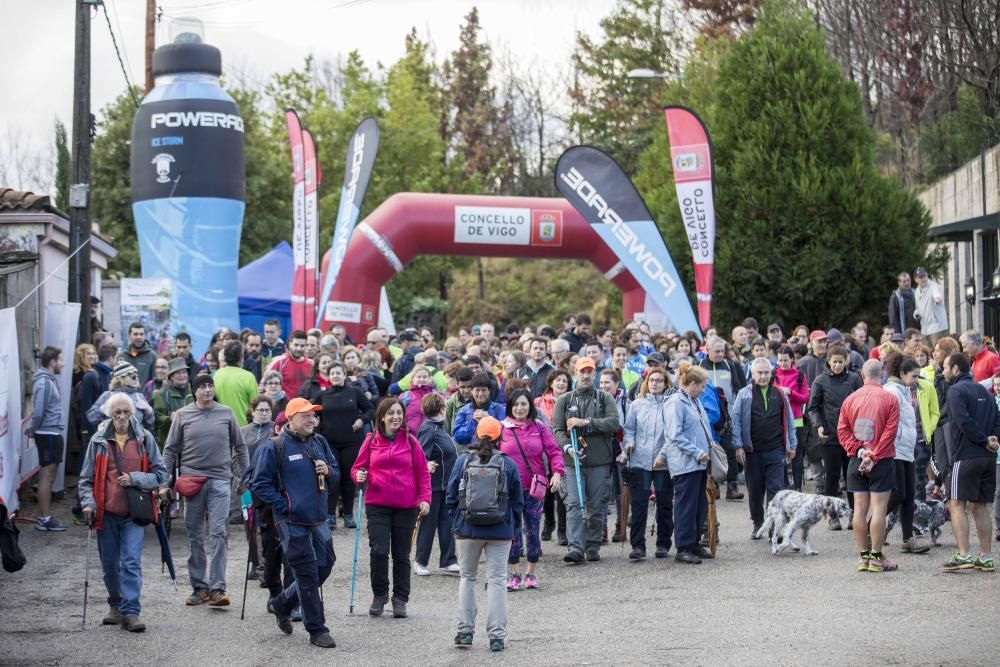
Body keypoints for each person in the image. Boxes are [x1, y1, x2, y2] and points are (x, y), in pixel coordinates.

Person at [252, 397, 338, 648]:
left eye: (314, 415)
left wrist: (329, 472)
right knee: (307, 573)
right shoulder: (274, 446)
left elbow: (337, 474)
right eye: (305, 415)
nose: (312, 419)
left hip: (319, 518)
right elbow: (260, 485)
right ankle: (317, 630)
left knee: (326, 564)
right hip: (291, 522)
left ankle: (281, 603)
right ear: (290, 419)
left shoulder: (320, 442)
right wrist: (285, 505)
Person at [77, 393, 168, 632]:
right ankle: (115, 605)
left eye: (125, 412)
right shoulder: (98, 441)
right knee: (109, 565)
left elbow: (161, 474)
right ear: (109, 414)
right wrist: (88, 503)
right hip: (105, 512)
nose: (121, 417)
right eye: (117, 412)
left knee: (130, 561)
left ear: (132, 414)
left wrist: (136, 478)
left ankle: (131, 611)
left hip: (133, 514)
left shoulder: (144, 438)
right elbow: (85, 479)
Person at [162, 374, 249, 607]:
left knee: (219, 532)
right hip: (192, 480)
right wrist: (164, 481)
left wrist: (246, 476)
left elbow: (240, 447)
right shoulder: (182, 415)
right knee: (195, 534)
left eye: (210, 386)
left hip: (220, 479)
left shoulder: (226, 413)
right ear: (194, 391)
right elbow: (170, 450)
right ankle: (199, 587)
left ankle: (218, 588)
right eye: (202, 387)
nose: (207, 390)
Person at [447, 416, 524, 652]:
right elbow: (518, 502)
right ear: (501, 436)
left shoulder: (463, 461)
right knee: (498, 581)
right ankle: (497, 637)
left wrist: (457, 522)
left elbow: (451, 497)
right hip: (500, 530)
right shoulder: (508, 464)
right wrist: (514, 529)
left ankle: (465, 632)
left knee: (467, 578)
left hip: (468, 529)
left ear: (476, 435)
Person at [351, 398, 431, 619]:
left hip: (406, 506)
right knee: (378, 550)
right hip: (377, 503)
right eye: (391, 413)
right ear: (382, 417)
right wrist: (358, 476)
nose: (396, 417)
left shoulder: (412, 442)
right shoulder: (370, 441)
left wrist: (425, 499)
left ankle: (400, 598)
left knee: (401, 554)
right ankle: (380, 594)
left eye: (399, 413)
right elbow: (357, 468)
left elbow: (423, 474)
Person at [553, 356, 620, 563]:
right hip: (572, 461)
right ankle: (575, 548)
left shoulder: (604, 398)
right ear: (576, 373)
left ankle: (592, 546)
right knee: (574, 504)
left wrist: (586, 422)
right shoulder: (564, 400)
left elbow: (613, 423)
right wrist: (568, 448)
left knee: (596, 505)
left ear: (595, 374)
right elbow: (557, 429)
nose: (585, 375)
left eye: (589, 371)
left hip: (599, 461)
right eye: (582, 371)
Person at [837, 359, 900, 573]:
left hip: (856, 460)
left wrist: (860, 452)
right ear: (881, 375)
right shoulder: (890, 399)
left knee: (859, 509)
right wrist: (873, 455)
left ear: (863, 376)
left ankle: (863, 557)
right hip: (880, 460)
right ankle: (876, 557)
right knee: (879, 509)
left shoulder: (850, 399)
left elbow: (842, 431)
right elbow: (889, 433)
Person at [940, 352, 1000, 572]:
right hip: (988, 458)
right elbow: (997, 419)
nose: (943, 371)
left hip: (965, 456)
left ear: (956, 369)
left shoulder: (955, 390)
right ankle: (985, 556)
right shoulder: (986, 391)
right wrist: (993, 440)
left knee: (956, 503)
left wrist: (984, 440)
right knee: (982, 506)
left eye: (946, 367)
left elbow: (962, 420)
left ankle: (964, 554)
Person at [498, 389, 563, 589]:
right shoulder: (500, 428)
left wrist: (558, 473)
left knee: (533, 530)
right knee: (512, 531)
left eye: (524, 404)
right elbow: (487, 452)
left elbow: (554, 451)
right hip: (508, 490)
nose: (520, 408)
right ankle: (514, 573)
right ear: (510, 406)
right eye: (516, 404)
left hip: (535, 488)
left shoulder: (539, 427)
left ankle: (531, 572)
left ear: (530, 406)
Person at [731, 358, 798, 538]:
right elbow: (736, 421)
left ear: (771, 373)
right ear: (752, 374)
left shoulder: (780, 393)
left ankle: (774, 526)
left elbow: (790, 421)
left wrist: (792, 445)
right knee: (755, 490)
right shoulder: (744, 394)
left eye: (766, 372)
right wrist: (738, 446)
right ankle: (758, 523)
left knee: (776, 490)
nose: (763, 376)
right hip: (752, 452)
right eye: (759, 373)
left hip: (776, 450)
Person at [656, 363, 714, 564]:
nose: (704, 389)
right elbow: (674, 435)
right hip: (685, 463)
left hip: (699, 463)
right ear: (692, 383)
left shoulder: (693, 401)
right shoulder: (675, 403)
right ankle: (683, 546)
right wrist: (697, 452)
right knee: (686, 506)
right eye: (702, 385)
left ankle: (694, 542)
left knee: (698, 506)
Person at [806, 344, 862, 528]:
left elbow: (862, 403)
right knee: (831, 476)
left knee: (852, 476)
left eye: (841, 361)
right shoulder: (820, 381)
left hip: (852, 436)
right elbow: (813, 407)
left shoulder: (854, 379)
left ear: (846, 361)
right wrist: (819, 425)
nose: (837, 365)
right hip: (829, 435)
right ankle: (832, 515)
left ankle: (855, 515)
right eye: (834, 362)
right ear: (829, 362)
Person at [622, 366, 674, 560]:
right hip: (640, 461)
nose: (655, 384)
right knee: (639, 504)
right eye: (652, 380)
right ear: (646, 383)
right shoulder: (637, 404)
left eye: (659, 380)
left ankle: (663, 543)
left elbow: (672, 434)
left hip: (663, 462)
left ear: (666, 384)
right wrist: (629, 443)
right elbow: (629, 430)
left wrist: (663, 454)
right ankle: (638, 546)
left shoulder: (671, 405)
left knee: (664, 503)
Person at [882, 354, 930, 554]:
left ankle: (908, 538)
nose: (917, 380)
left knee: (909, 495)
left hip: (907, 449)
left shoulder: (903, 390)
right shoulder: (893, 392)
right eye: (914, 376)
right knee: (900, 493)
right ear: (902, 373)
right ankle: (872, 522)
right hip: (895, 449)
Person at [319, 363, 374, 529]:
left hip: (351, 441)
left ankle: (348, 515)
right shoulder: (323, 395)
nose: (335, 375)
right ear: (329, 377)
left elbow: (370, 409)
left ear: (345, 375)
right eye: (332, 373)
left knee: (349, 479)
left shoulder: (354, 392)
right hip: (330, 442)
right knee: (333, 478)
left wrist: (361, 420)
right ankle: (330, 515)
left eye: (339, 373)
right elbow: (312, 410)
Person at [414, 393, 460, 576]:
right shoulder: (429, 429)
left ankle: (448, 560)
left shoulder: (438, 428)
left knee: (447, 523)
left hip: (444, 485)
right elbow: (419, 456)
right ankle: (420, 561)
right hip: (432, 486)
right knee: (428, 524)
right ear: (441, 408)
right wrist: (426, 464)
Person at [700, 336, 746, 501]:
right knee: (709, 451)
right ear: (708, 349)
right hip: (706, 415)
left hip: (727, 415)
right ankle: (714, 486)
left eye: (722, 351)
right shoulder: (698, 366)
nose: (720, 354)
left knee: (730, 450)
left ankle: (732, 486)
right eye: (716, 351)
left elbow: (741, 389)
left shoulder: (730, 365)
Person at [28, 346, 67, 532]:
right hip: (48, 433)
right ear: (52, 362)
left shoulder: (48, 380)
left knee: (49, 476)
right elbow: (38, 411)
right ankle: (44, 519)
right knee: (47, 476)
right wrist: (33, 429)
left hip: (51, 432)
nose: (63, 364)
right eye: (60, 360)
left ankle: (40, 514)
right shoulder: (44, 382)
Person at [535, 368, 572, 543]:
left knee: (562, 491)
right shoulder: (538, 402)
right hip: (544, 452)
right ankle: (549, 523)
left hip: (564, 450)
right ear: (550, 383)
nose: (561, 383)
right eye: (558, 380)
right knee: (548, 492)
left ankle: (563, 531)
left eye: (564, 381)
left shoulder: (571, 401)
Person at [774, 346, 810, 491]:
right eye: (780, 360)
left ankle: (797, 487)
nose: (782, 363)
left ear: (792, 360)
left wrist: (791, 393)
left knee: (797, 455)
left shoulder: (800, 375)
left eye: (785, 360)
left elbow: (805, 398)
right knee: (780, 453)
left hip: (796, 420)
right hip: (778, 420)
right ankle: (784, 485)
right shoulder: (772, 374)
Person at [215, 340, 263, 428]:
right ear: (241, 356)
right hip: (243, 429)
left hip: (221, 427)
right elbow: (256, 405)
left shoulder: (216, 375)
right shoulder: (248, 377)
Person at [453, 373, 506, 447]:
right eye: (477, 390)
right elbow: (458, 438)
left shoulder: (500, 409)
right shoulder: (464, 411)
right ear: (471, 391)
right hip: (471, 455)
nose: (480, 394)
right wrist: (472, 422)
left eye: (484, 390)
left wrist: (489, 420)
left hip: (494, 455)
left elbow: (505, 435)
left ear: (489, 391)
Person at [151, 358, 193, 445]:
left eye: (184, 372)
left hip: (191, 443)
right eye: (178, 373)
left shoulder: (194, 392)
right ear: (171, 376)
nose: (182, 375)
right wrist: (169, 418)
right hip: (169, 444)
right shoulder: (161, 394)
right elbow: (156, 418)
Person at [266, 330, 314, 398]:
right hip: (283, 407)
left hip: (304, 406)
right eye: (296, 345)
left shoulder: (311, 364)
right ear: (290, 344)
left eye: (302, 346)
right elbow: (264, 385)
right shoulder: (279, 362)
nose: (299, 348)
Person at [118, 322, 158, 388]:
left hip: (144, 397)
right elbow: (117, 381)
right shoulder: (122, 356)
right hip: (125, 397)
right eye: (135, 334)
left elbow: (155, 381)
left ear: (145, 336)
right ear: (129, 335)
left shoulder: (152, 356)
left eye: (141, 334)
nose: (139, 337)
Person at [400, 365, 437, 435]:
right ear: (413, 379)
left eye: (425, 377)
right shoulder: (405, 397)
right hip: (410, 436)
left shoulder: (437, 396)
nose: (422, 379)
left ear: (430, 379)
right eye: (419, 377)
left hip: (431, 436)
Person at [445, 367, 475, 434]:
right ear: (457, 384)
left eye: (469, 386)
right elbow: (446, 428)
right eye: (462, 387)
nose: (466, 390)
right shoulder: (451, 402)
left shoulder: (478, 400)